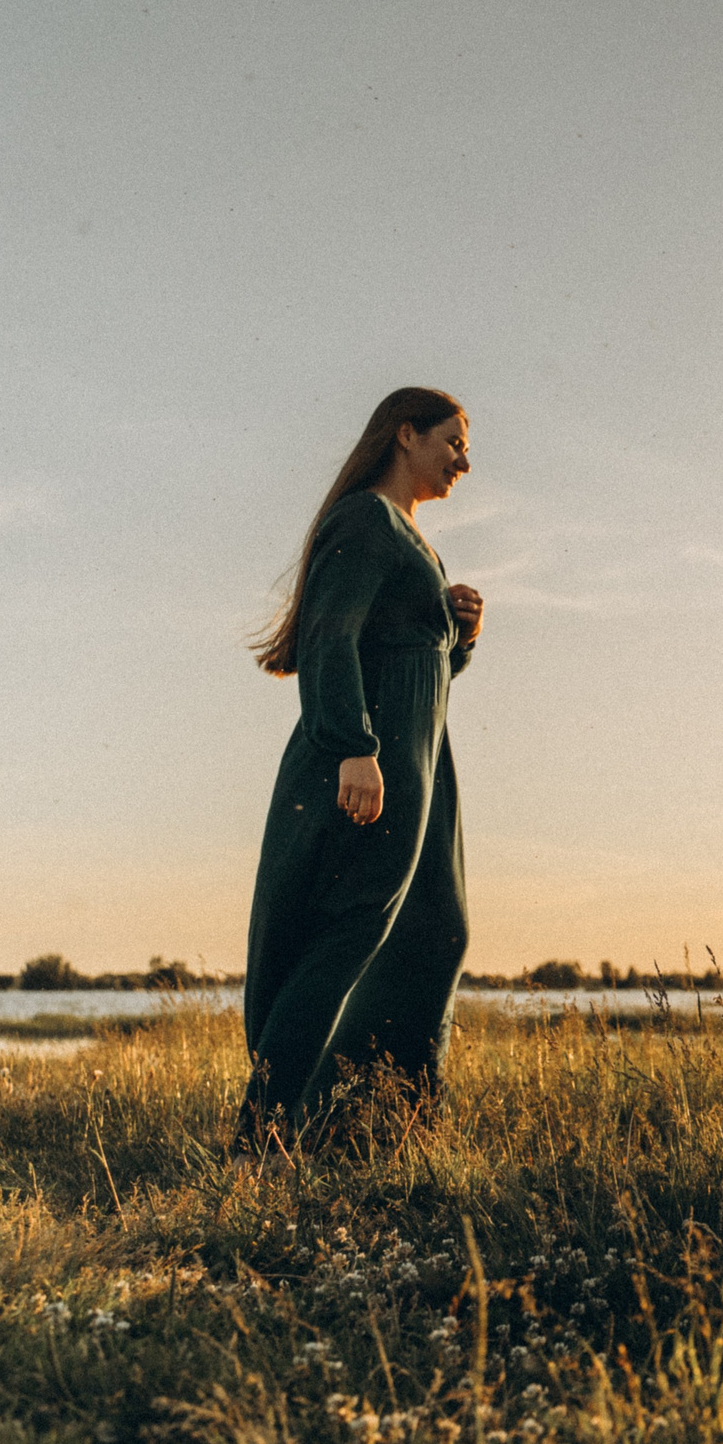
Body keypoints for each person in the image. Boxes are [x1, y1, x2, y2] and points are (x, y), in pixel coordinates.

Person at [240, 388, 484, 1142]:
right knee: (349, 935)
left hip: (420, 765)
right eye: (452, 441)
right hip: (367, 763)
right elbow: (329, 638)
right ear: (405, 435)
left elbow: (418, 667)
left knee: (436, 930)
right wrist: (355, 748)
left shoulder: (420, 544)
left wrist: (461, 634)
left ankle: (377, 1123)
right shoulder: (366, 520)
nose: (463, 461)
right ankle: (264, 1137)